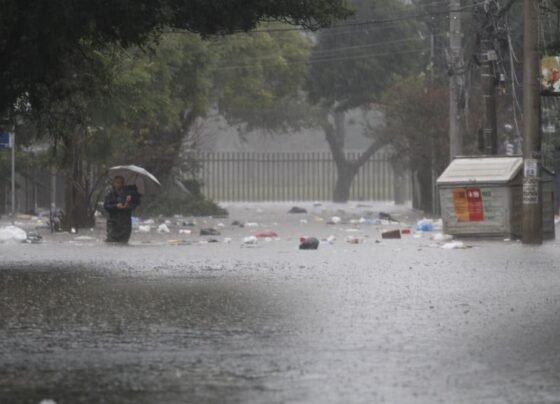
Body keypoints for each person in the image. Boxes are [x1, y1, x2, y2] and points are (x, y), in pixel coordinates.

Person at [103, 175, 139, 243]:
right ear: (113, 183)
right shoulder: (110, 194)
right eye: (117, 182)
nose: (118, 184)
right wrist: (116, 206)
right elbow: (106, 206)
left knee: (123, 242)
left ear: (123, 183)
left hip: (125, 224)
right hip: (113, 223)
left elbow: (135, 203)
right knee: (111, 241)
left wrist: (129, 202)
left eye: (121, 182)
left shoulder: (129, 193)